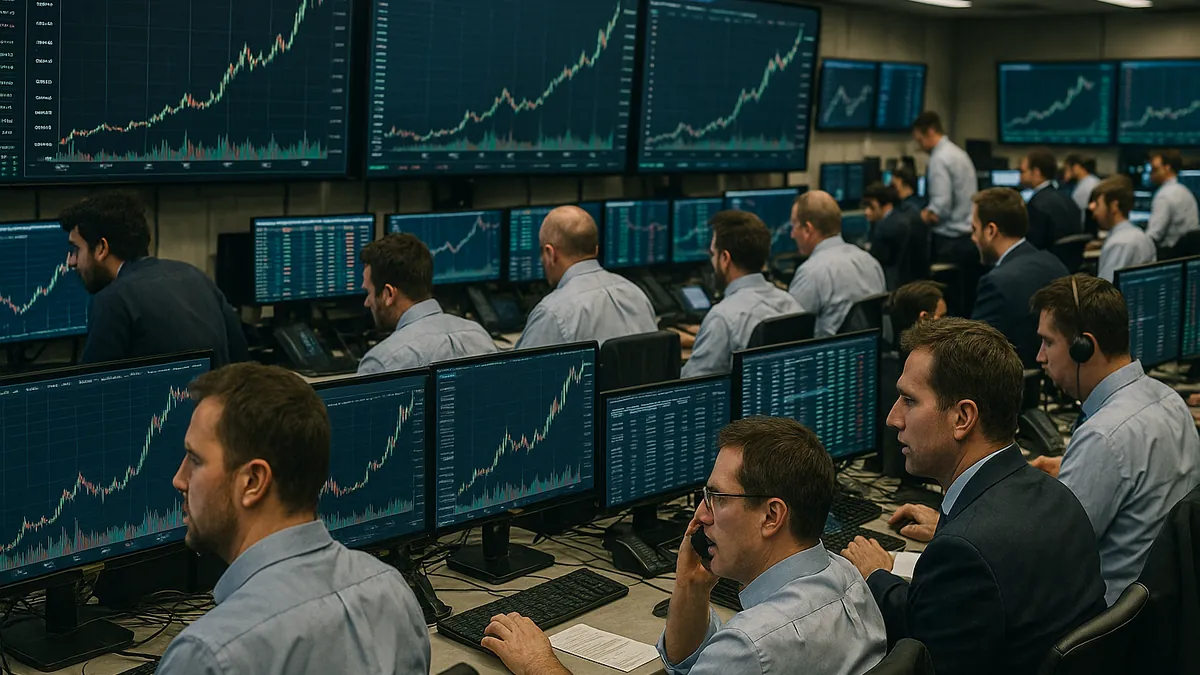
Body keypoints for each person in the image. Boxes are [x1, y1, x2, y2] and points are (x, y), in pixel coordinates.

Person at [480, 417, 887, 675]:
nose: (702, 515)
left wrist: (539, 664)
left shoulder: (749, 648)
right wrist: (692, 588)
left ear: (771, 516)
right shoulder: (847, 576)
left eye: (717, 498)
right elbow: (686, 662)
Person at [841, 318, 1106, 675]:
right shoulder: (1056, 496)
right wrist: (951, 526)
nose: (893, 419)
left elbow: (925, 648)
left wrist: (876, 576)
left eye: (908, 400)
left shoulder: (965, 551)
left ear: (963, 417)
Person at [156, 363, 430, 675]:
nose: (179, 479)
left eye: (195, 459)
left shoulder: (208, 655)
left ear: (253, 482)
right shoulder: (393, 592)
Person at [1029, 275, 1200, 605]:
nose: (1040, 357)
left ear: (1084, 347)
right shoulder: (1169, 400)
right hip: (1162, 613)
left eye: (1048, 342)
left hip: (1104, 630)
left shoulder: (1102, 437)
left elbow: (1046, 556)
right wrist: (1073, 468)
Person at [59, 191, 248, 367]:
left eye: (76, 249)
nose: (71, 261)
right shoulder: (195, 275)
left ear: (101, 248)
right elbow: (240, 359)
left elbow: (92, 390)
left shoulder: (112, 300)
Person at [681, 211, 803, 378]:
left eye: (713, 254)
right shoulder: (792, 304)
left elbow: (692, 389)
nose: (711, 261)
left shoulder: (722, 318)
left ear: (725, 259)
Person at [516, 206, 657, 349]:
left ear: (550, 254)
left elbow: (519, 370)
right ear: (595, 250)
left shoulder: (553, 313)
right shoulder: (637, 295)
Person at [356, 233, 497, 374]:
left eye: (369, 293)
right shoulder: (479, 336)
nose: (367, 303)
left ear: (389, 294)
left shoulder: (381, 363)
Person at [969, 188, 1068, 367]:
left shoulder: (997, 283)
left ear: (991, 231)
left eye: (974, 229)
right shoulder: (1054, 262)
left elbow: (971, 353)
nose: (973, 238)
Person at [788, 191, 886, 337]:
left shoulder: (811, 272)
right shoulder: (870, 262)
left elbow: (790, 334)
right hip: (868, 355)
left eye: (794, 225)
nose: (792, 234)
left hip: (829, 357)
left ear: (808, 229)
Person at [911, 112, 977, 263]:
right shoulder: (958, 153)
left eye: (920, 140)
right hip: (967, 236)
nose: (919, 146)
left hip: (949, 240)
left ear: (931, 131)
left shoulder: (939, 159)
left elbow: (940, 206)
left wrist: (917, 218)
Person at [1089, 175, 1156, 283]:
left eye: (1097, 204)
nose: (1093, 211)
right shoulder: (1142, 236)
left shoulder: (1119, 244)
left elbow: (1105, 292)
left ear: (1114, 206)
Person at [864, 182, 930, 289]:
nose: (866, 212)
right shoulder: (911, 214)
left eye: (870, 206)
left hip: (894, 285)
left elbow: (876, 260)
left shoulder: (885, 227)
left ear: (885, 204)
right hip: (919, 283)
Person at [1021, 147, 1082, 250]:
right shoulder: (1068, 199)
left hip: (1044, 262)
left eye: (1023, 171)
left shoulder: (1036, 205)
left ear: (1036, 172)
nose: (1020, 176)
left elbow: (1033, 246)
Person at [1147, 149, 1200, 252]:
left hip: (1167, 255)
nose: (1151, 174)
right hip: (1185, 256)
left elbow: (1154, 235)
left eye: (1155, 169)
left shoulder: (1164, 196)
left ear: (1167, 168)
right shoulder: (1185, 191)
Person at [1065, 154, 1102, 225]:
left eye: (1068, 168)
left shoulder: (1086, 185)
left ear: (1076, 167)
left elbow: (1074, 210)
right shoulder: (1092, 180)